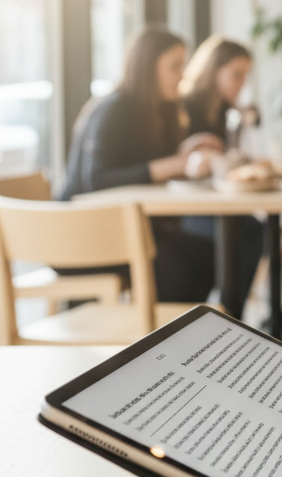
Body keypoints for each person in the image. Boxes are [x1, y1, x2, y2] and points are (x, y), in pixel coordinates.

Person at [61, 25, 218, 302]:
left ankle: (183, 337)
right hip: (81, 237)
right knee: (181, 263)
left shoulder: (158, 113)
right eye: (174, 66)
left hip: (123, 233)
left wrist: (183, 153)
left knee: (209, 254)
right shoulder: (112, 109)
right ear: (147, 67)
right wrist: (174, 164)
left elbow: (145, 166)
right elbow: (93, 182)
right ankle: (161, 338)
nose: (181, 76)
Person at [179, 35, 264, 318]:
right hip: (183, 208)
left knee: (255, 228)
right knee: (246, 231)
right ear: (213, 70)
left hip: (212, 200)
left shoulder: (227, 111)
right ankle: (229, 315)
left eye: (244, 77)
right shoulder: (185, 107)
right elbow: (183, 163)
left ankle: (231, 314)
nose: (240, 83)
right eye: (235, 75)